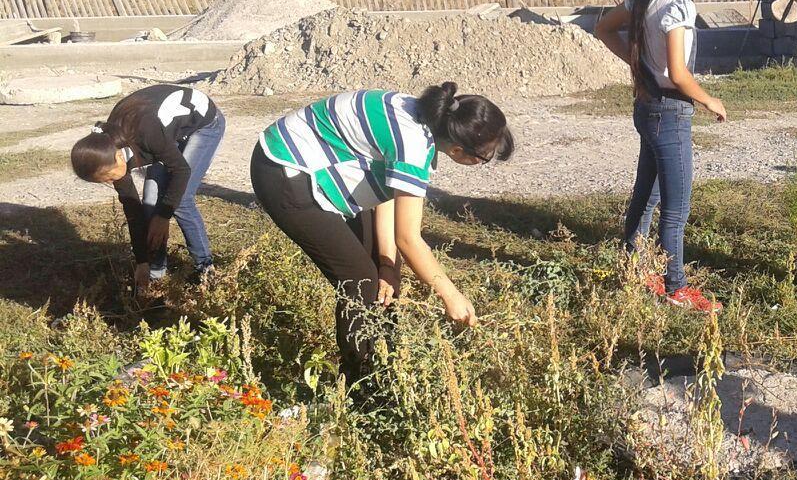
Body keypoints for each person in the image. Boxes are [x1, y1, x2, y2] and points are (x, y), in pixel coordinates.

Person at [249, 83, 513, 380]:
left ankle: (388, 365)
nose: (487, 159)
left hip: (303, 161)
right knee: (359, 279)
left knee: (379, 270)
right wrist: (451, 296)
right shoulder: (413, 146)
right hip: (282, 169)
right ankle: (360, 383)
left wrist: (389, 265)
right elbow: (409, 240)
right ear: (457, 150)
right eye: (485, 156)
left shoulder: (422, 117)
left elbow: (385, 193)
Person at [594, 0, 726, 313]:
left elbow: (603, 29)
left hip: (647, 107)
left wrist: (640, 68)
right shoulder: (677, 3)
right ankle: (676, 288)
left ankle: (631, 267)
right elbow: (679, 74)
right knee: (676, 207)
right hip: (670, 113)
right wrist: (709, 100)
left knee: (647, 195)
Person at [71, 84, 226, 292]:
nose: (110, 182)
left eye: (108, 177)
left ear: (118, 157)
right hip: (167, 132)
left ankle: (206, 271)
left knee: (181, 201)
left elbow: (181, 170)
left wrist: (163, 217)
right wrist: (141, 261)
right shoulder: (109, 153)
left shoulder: (145, 133)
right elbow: (133, 211)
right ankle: (155, 272)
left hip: (204, 124)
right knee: (150, 201)